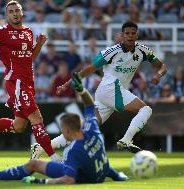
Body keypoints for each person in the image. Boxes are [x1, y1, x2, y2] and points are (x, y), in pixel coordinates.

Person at [31, 21, 167, 158]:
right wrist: (67, 84)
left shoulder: (143, 51)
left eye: (133, 33)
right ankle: (126, 140)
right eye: (127, 33)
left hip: (108, 93)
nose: (130, 36)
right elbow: (89, 69)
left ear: (137, 35)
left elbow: (162, 66)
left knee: (83, 130)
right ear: (122, 35)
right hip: (110, 88)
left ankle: (42, 147)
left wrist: (158, 75)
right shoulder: (112, 52)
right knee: (145, 109)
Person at [0, 73, 129, 184]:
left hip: (85, 177)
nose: (62, 132)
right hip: (100, 173)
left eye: (62, 130)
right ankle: (117, 175)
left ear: (67, 131)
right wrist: (81, 90)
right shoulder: (93, 130)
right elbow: (89, 105)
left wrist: (41, 182)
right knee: (97, 160)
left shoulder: (73, 151)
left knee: (34, 164)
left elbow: (69, 179)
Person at [0, 0, 59, 162]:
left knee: (19, 126)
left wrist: (38, 45)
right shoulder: (2, 31)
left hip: (28, 81)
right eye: (11, 11)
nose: (15, 13)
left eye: (17, 10)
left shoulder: (28, 32)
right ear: (7, 15)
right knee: (36, 118)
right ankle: (54, 158)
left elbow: (29, 57)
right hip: (15, 81)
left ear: (22, 12)